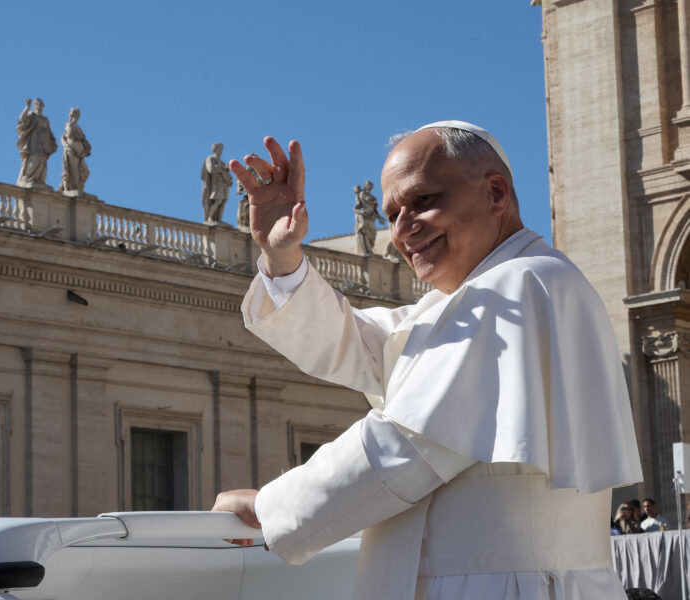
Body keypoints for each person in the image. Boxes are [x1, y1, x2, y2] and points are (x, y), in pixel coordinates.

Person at [212, 121, 642, 599]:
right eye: (392, 213)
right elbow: (360, 344)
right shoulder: (477, 296)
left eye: (422, 202)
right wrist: (284, 258)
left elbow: (408, 445)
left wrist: (269, 509)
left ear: (495, 193)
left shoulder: (520, 284)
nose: (401, 230)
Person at [16, 98, 57, 187]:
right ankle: (27, 177)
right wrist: (27, 107)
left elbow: (49, 131)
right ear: (34, 105)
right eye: (37, 104)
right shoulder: (32, 115)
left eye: (40, 104)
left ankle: (38, 180)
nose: (39, 106)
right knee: (35, 158)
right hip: (33, 142)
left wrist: (52, 141)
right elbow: (21, 119)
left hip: (43, 143)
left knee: (42, 161)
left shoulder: (45, 119)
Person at [58, 107, 91, 193]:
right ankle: (74, 189)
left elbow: (83, 139)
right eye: (75, 114)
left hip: (80, 153)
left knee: (85, 171)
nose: (77, 116)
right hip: (72, 150)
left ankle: (79, 187)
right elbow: (70, 135)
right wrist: (80, 137)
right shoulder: (69, 125)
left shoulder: (78, 127)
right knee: (74, 171)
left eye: (77, 114)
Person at [200, 142, 232, 224]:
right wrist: (221, 169)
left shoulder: (222, 162)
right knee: (218, 200)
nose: (221, 151)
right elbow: (211, 169)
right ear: (215, 149)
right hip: (215, 184)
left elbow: (226, 174)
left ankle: (219, 219)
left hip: (223, 184)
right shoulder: (210, 159)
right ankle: (210, 217)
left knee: (223, 201)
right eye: (219, 149)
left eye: (221, 149)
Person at [354, 180, 386, 255]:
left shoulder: (372, 196)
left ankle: (369, 249)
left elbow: (374, 208)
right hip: (364, 217)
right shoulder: (362, 194)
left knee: (373, 234)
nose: (370, 187)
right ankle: (366, 251)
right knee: (365, 233)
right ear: (365, 186)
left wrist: (379, 217)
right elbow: (367, 201)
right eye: (368, 185)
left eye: (371, 186)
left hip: (371, 218)